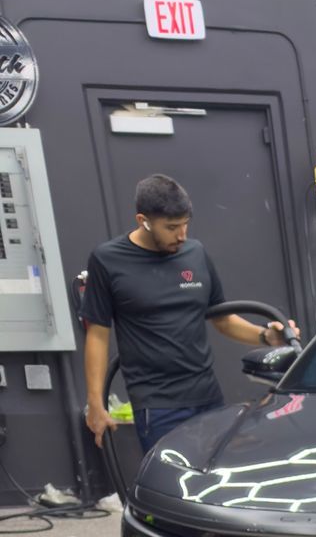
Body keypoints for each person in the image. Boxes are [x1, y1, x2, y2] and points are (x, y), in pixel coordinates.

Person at [82, 173, 299, 454]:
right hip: (156, 405)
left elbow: (222, 318)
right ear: (143, 221)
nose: (181, 235)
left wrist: (266, 336)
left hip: (207, 396)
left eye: (185, 224)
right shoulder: (107, 260)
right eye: (171, 227)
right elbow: (97, 335)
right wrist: (95, 403)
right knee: (171, 484)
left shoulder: (194, 253)